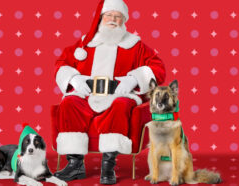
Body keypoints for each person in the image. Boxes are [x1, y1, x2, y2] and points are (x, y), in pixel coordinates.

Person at [53, 0, 166, 184]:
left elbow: (158, 67)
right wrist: (73, 78)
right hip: (87, 94)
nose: (113, 20)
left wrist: (134, 79)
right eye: (109, 15)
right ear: (101, 18)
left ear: (124, 20)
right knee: (69, 103)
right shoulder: (85, 43)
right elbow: (62, 63)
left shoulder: (135, 45)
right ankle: (75, 165)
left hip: (119, 94)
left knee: (120, 105)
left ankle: (108, 165)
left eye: (117, 16)